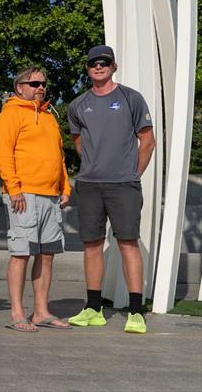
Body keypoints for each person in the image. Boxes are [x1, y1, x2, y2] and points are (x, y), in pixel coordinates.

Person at [67, 45, 155, 334]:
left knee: (128, 243)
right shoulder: (78, 104)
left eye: (104, 63)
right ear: (87, 69)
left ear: (113, 66)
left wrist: (132, 174)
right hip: (89, 185)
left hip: (124, 185)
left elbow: (148, 141)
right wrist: (93, 165)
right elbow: (79, 142)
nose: (99, 67)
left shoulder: (131, 98)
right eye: (94, 63)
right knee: (92, 245)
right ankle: (93, 308)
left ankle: (136, 311)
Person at [0, 67, 71, 332]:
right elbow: (3, 154)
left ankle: (41, 312)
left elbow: (59, 157)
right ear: (20, 88)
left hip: (51, 196)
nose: (40, 87)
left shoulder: (50, 117)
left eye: (43, 83)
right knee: (21, 254)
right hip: (23, 195)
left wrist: (65, 187)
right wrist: (14, 189)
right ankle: (18, 313)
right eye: (34, 83)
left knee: (47, 254)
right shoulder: (10, 114)